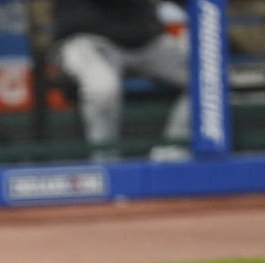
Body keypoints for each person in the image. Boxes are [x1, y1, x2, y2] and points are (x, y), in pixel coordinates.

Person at [50, 0, 191, 161]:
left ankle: (171, 155)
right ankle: (106, 163)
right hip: (86, 37)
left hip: (145, 39)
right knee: (102, 88)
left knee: (210, 79)